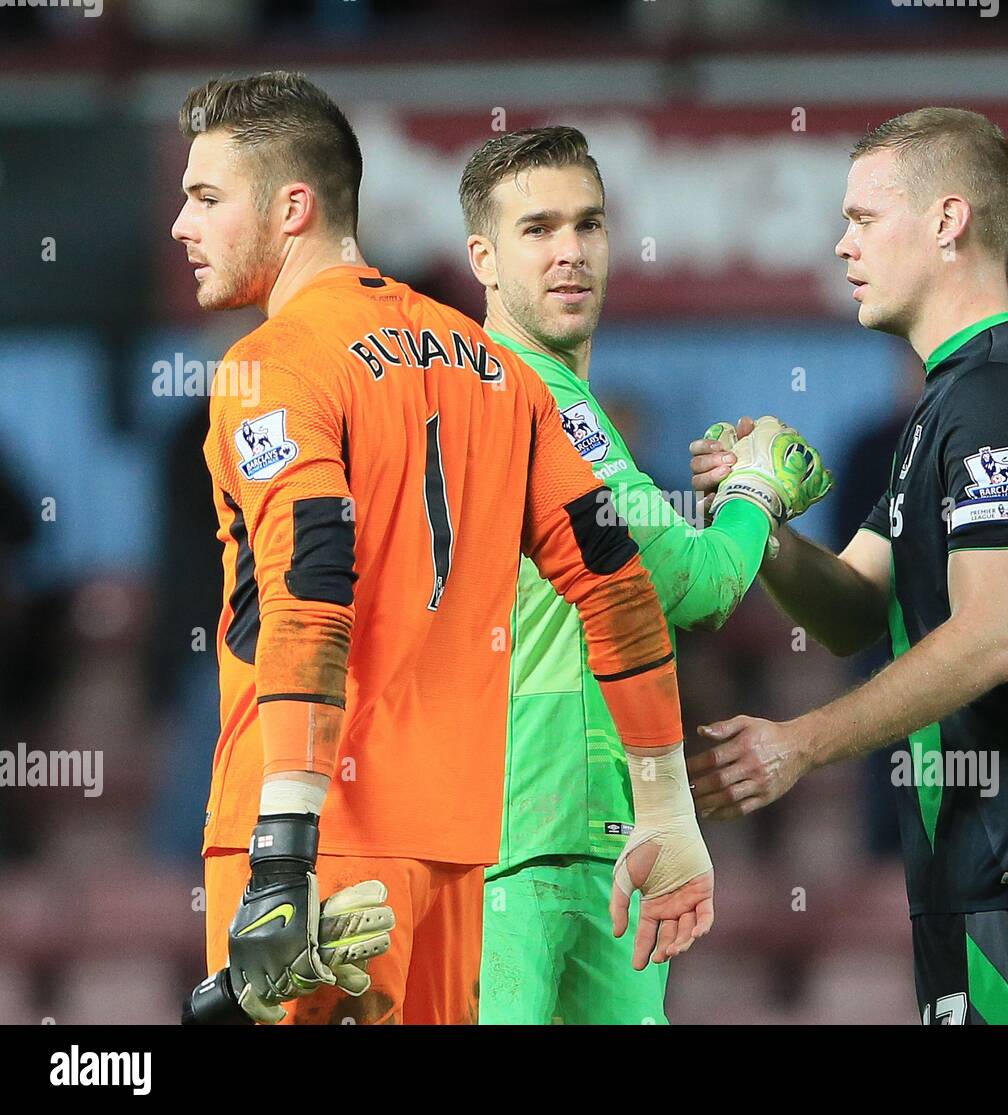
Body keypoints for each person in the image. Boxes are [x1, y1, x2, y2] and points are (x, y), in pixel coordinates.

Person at [171, 71, 713, 1024]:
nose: (183, 223)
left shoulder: (274, 362)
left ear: (292, 207)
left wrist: (282, 854)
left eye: (207, 198)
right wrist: (666, 808)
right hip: (458, 851)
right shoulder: (499, 370)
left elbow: (309, 581)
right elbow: (617, 580)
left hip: (318, 840)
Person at [689, 107, 1008, 1025]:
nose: (840, 244)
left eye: (863, 219)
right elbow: (856, 608)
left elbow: (987, 642)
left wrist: (798, 744)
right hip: (982, 870)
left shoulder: (995, 405)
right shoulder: (951, 407)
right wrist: (759, 513)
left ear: (947, 222)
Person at [458, 126, 830, 1023]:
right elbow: (698, 583)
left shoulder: (508, 392)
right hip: (525, 838)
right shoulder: (538, 396)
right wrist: (757, 489)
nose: (571, 252)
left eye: (588, 225)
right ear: (483, 256)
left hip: (573, 830)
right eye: (537, 229)